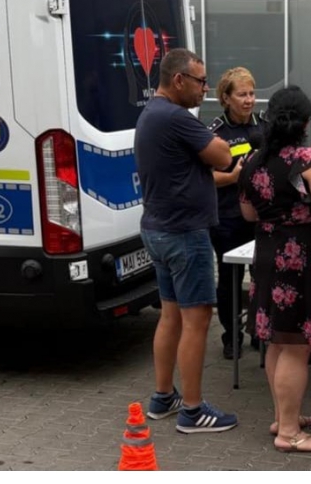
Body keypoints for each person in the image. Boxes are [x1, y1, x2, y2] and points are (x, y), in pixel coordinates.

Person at [238, 85, 311, 452]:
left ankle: (282, 416)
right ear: (304, 123)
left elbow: (248, 212)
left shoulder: (253, 159)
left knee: (278, 341)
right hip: (303, 259)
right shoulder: (308, 160)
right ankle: (289, 432)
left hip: (268, 254)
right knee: (297, 347)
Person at [135, 48, 238, 434]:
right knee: (197, 320)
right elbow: (223, 156)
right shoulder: (177, 118)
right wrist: (216, 147)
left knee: (171, 315)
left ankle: (163, 396)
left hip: (158, 228)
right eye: (200, 81)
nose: (205, 89)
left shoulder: (151, 113)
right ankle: (193, 411)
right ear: (178, 80)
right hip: (183, 234)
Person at [207, 67, 264, 360]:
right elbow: (204, 178)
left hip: (260, 216)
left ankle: (259, 331)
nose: (249, 100)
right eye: (242, 94)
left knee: (262, 275)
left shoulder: (264, 126)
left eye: (252, 93)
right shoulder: (215, 133)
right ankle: (232, 337)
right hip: (227, 218)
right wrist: (232, 178)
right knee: (230, 278)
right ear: (226, 98)